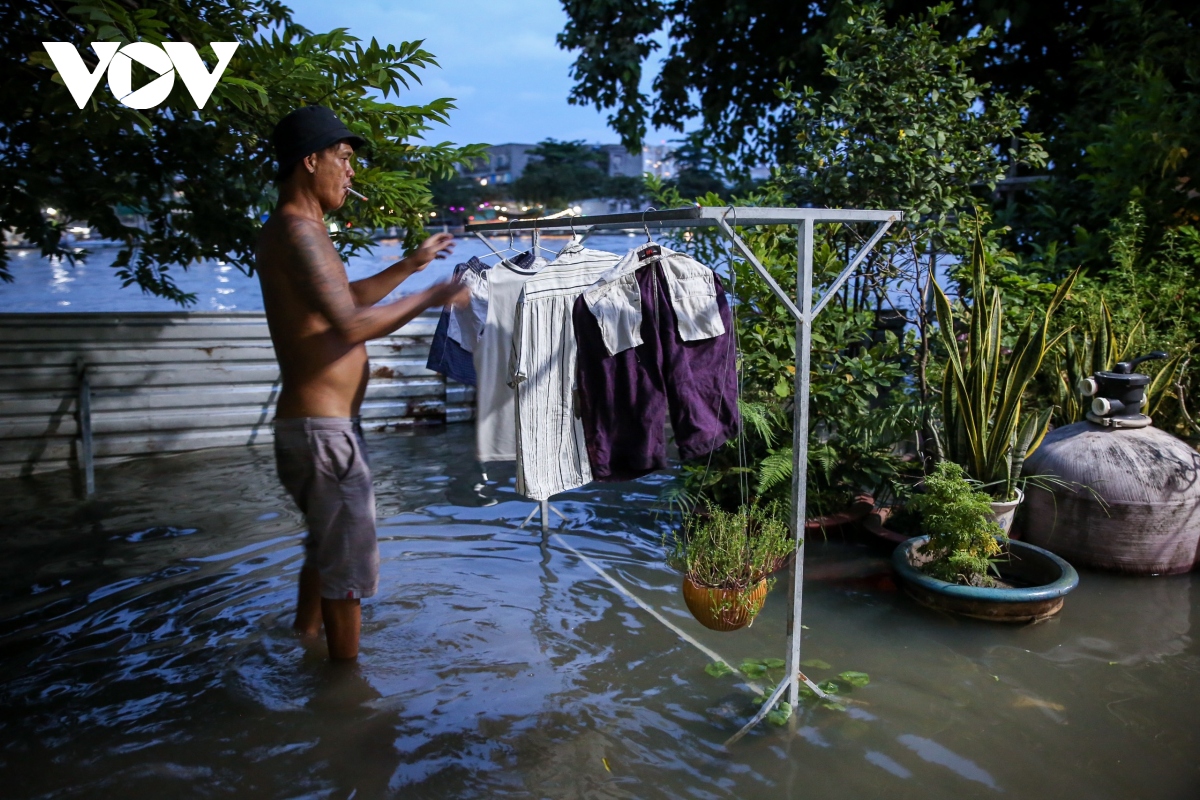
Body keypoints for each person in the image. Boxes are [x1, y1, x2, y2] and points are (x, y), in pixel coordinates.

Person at [256, 106, 469, 659]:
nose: (351, 173)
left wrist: (410, 267)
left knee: (326, 547)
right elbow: (348, 326)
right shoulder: (297, 231)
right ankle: (346, 699)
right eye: (344, 160)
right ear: (311, 161)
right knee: (347, 563)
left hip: (319, 429)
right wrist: (431, 296)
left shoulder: (301, 230)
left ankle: (302, 643)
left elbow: (345, 299)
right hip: (322, 432)